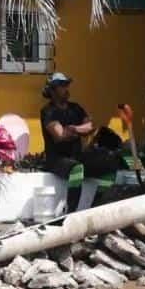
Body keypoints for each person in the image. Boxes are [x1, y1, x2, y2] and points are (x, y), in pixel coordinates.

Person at [40, 72, 121, 212]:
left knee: (111, 162)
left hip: (76, 156)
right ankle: (71, 213)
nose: (66, 88)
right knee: (77, 168)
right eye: (62, 85)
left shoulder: (75, 108)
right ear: (53, 90)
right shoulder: (48, 111)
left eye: (67, 85)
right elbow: (59, 135)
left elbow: (90, 126)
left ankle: (96, 206)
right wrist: (79, 131)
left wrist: (74, 129)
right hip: (57, 160)